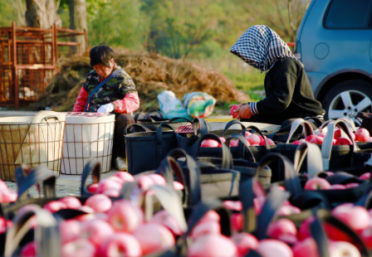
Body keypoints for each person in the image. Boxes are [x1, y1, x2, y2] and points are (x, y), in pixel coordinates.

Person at [230, 25, 325, 125]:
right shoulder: (274, 68)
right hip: (286, 115)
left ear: (261, 46)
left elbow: (281, 101)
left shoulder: (286, 64)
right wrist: (248, 107)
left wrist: (252, 108)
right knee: (247, 121)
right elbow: (273, 104)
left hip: (306, 118)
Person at [73, 44, 139, 170]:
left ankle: (121, 157)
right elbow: (82, 99)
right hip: (92, 121)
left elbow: (133, 101)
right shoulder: (91, 77)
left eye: (102, 67)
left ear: (111, 61)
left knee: (126, 118)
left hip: (112, 123)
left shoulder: (121, 77)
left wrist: (112, 106)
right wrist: (75, 117)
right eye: (96, 68)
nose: (99, 71)